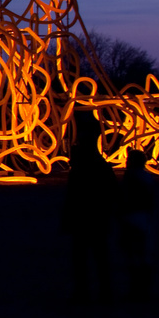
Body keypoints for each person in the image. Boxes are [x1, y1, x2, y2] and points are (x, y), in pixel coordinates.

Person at [61, 111, 116, 303]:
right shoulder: (101, 167)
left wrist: (67, 218)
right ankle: (103, 291)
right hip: (96, 219)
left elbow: (73, 195)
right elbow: (112, 193)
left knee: (83, 257)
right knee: (98, 256)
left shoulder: (82, 169)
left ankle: (85, 291)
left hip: (84, 219)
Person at [119, 147, 155, 301]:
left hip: (133, 218)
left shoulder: (132, 178)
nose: (125, 162)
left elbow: (127, 198)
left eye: (128, 160)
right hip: (143, 218)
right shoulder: (147, 178)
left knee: (134, 255)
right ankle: (143, 290)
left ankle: (137, 290)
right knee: (142, 255)